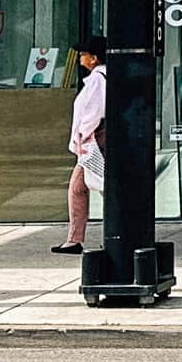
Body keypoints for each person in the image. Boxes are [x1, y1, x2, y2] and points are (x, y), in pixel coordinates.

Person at [53, 39, 105, 255]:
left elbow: (93, 112)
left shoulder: (97, 80)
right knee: (89, 188)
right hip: (94, 143)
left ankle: (75, 239)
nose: (80, 58)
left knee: (79, 188)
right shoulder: (100, 78)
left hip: (93, 143)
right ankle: (75, 239)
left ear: (94, 58)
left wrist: (82, 136)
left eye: (84, 54)